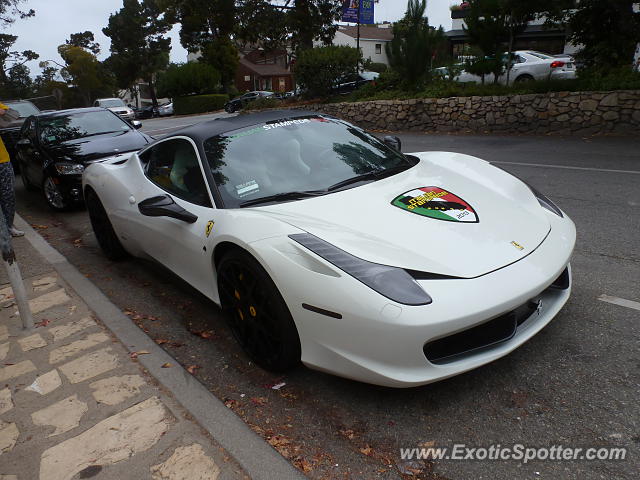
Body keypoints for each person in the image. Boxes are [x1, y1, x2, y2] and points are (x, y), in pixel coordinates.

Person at [0, 102, 24, 237]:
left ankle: (9, 226)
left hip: (2, 160)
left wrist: (3, 112)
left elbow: (13, 115)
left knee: (8, 196)